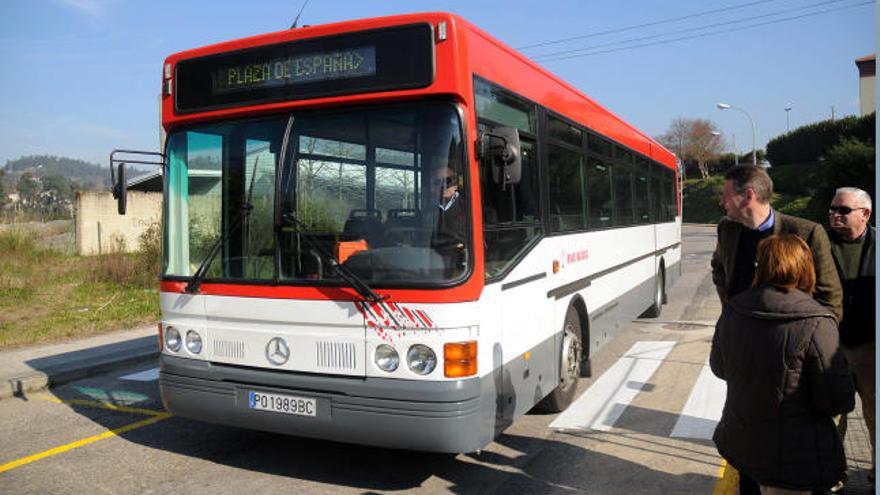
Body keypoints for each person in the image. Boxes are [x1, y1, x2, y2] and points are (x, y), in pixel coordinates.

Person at [710, 165, 844, 495]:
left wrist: (809, 339)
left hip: (794, 362)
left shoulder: (806, 232)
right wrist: (731, 314)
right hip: (747, 360)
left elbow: (831, 299)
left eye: (726, 196)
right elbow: (718, 269)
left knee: (792, 456)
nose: (722, 203)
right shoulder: (728, 230)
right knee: (750, 445)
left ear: (748, 196)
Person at [827, 187, 875, 484]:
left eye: (843, 210)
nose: (835, 214)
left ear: (865, 214)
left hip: (872, 348)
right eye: (832, 208)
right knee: (830, 419)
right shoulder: (818, 243)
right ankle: (832, 476)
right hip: (831, 348)